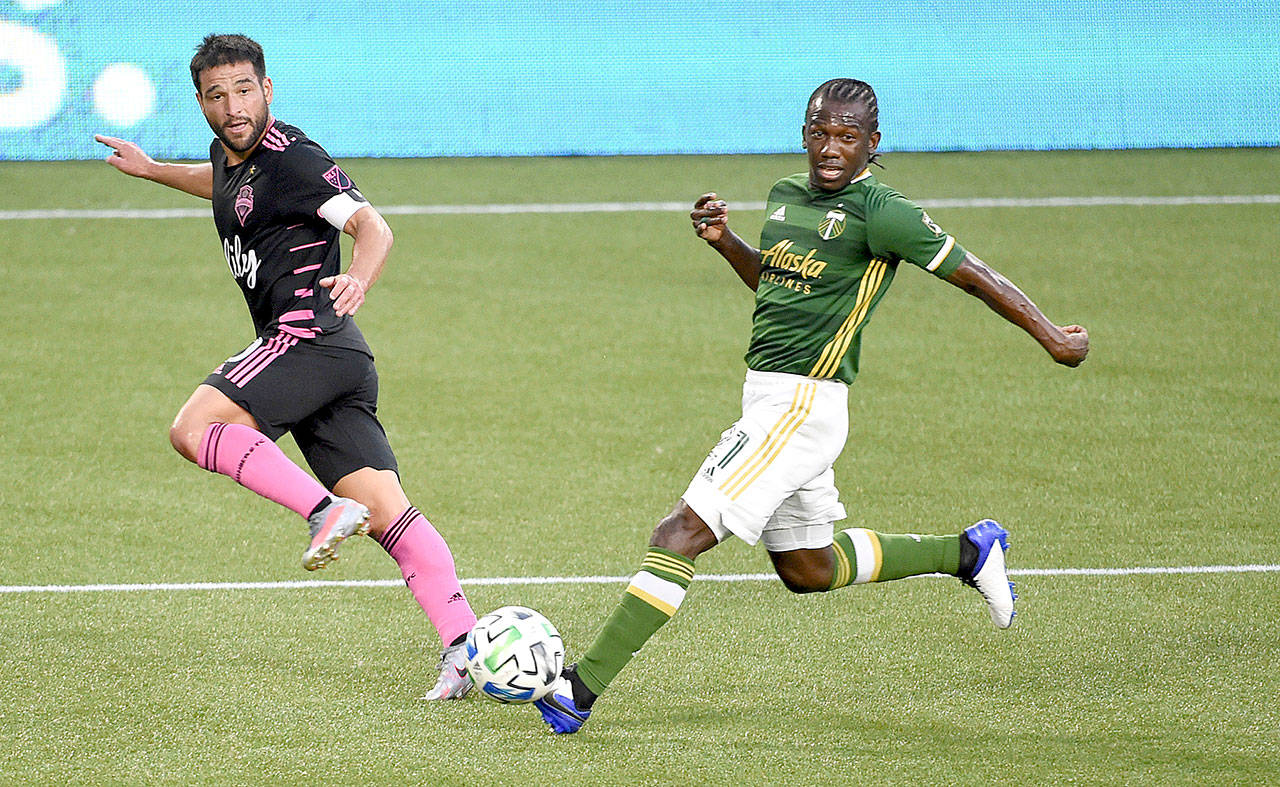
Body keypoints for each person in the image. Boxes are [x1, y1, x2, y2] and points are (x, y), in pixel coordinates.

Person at [535, 78, 1090, 733]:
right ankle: (966, 552)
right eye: (821, 133)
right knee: (807, 567)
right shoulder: (784, 195)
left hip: (800, 406)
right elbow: (775, 283)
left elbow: (974, 274)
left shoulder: (883, 211)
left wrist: (1051, 334)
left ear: (872, 143)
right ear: (804, 133)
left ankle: (580, 688)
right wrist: (726, 242)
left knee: (677, 533)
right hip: (770, 399)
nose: (832, 148)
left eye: (848, 137)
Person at [94, 34, 477, 700]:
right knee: (387, 509)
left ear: (267, 89)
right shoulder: (231, 156)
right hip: (340, 357)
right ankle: (466, 649)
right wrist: (153, 169)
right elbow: (223, 182)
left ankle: (322, 509)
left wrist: (358, 275)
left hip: (308, 337)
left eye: (244, 90)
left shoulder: (294, 157)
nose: (233, 106)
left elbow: (372, 225)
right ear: (202, 103)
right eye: (217, 95)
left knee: (193, 428)